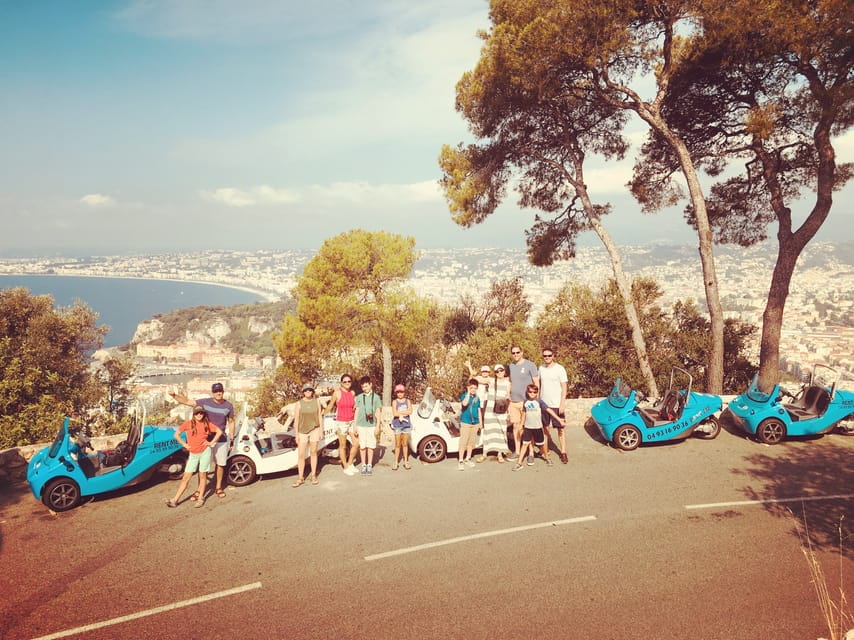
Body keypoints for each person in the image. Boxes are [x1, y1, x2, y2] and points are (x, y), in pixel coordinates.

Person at [169, 382, 234, 498]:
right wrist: (174, 395)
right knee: (202, 467)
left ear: (223, 392)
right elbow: (188, 402)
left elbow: (231, 422)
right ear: (212, 393)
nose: (218, 393)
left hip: (221, 439)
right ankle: (199, 490)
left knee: (220, 465)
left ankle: (218, 487)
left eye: (220, 391)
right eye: (215, 391)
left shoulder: (228, 406)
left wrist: (232, 439)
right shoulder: (205, 402)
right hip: (205, 441)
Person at [166, 405, 223, 508]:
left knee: (202, 475)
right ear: (194, 414)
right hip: (193, 453)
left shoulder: (207, 424)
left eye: (201, 413)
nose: (199, 415)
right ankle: (175, 500)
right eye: (197, 413)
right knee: (186, 477)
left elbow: (219, 431)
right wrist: (184, 444)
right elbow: (176, 435)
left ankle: (201, 498)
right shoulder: (188, 424)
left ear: (204, 414)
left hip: (205, 452)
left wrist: (211, 442)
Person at [512, 384, 564, 471]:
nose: (532, 394)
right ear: (527, 392)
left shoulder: (540, 402)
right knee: (524, 444)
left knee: (541, 445)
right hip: (528, 428)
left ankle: (547, 458)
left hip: (538, 427)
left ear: (537, 393)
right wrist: (521, 425)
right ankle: (519, 463)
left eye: (534, 392)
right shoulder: (525, 402)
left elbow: (549, 410)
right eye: (530, 392)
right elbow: (524, 414)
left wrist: (559, 419)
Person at [507, 346, 539, 460]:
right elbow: (510, 381)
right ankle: (517, 451)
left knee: (527, 428)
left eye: (518, 352)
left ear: (522, 352)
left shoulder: (530, 365)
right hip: (514, 402)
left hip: (526, 402)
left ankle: (531, 453)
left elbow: (536, 383)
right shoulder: (511, 366)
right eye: (513, 353)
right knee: (516, 427)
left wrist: (536, 400)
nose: (516, 354)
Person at [539, 347, 569, 464]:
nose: (547, 358)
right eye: (545, 356)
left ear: (553, 356)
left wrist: (562, 403)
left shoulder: (560, 369)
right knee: (545, 428)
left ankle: (563, 452)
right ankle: (546, 452)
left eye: (549, 355)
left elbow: (564, 387)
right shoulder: (541, 368)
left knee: (560, 429)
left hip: (557, 404)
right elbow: (539, 384)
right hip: (544, 404)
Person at [325, 373, 360, 476]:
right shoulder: (337, 393)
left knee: (356, 443)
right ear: (341, 383)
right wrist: (321, 416)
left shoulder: (352, 393)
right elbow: (330, 406)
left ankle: (350, 464)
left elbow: (355, 407)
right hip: (341, 422)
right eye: (345, 381)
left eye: (349, 381)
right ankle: (345, 467)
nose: (347, 383)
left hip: (351, 422)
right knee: (343, 446)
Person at [292, 383, 323, 487]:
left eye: (310, 390)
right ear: (303, 392)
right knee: (301, 455)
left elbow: (319, 416)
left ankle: (313, 475)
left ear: (312, 391)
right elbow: (296, 420)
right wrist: (296, 435)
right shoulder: (299, 404)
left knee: (313, 452)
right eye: (306, 390)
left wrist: (321, 430)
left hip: (314, 429)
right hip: (302, 431)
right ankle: (300, 477)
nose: (308, 392)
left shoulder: (317, 401)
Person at [481, 363, 511, 462]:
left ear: (504, 371)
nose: (499, 373)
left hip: (501, 409)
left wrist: (509, 411)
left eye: (501, 370)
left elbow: (508, 398)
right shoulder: (492, 381)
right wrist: (469, 368)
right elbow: (478, 378)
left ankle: (500, 454)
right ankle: (485, 453)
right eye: (497, 371)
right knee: (488, 430)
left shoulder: (508, 383)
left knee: (501, 430)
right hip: (490, 409)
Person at [354, 376, 382, 475]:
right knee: (362, 446)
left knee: (370, 445)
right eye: (363, 387)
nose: (364, 389)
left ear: (370, 384)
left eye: (366, 386)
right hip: (361, 425)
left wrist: (378, 426)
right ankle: (363, 465)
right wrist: (354, 426)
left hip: (371, 425)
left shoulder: (376, 397)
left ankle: (369, 464)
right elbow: (356, 411)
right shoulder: (359, 397)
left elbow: (378, 412)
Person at [458, 378, 482, 470]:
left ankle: (468, 458)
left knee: (471, 442)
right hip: (466, 422)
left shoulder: (477, 398)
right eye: (471, 388)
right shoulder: (464, 395)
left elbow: (479, 410)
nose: (473, 390)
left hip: (475, 423)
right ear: (468, 388)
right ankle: (461, 460)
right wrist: (468, 393)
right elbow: (464, 404)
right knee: (463, 441)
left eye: (475, 388)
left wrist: (480, 423)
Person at [390, 383, 413, 470]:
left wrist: (400, 414)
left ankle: (406, 461)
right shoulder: (394, 402)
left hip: (406, 425)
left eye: (402, 392)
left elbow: (410, 411)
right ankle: (396, 462)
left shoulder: (408, 401)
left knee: (405, 444)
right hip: (397, 425)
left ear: (404, 392)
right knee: (397, 444)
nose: (400, 394)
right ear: (396, 393)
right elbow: (394, 413)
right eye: (398, 392)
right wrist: (404, 412)